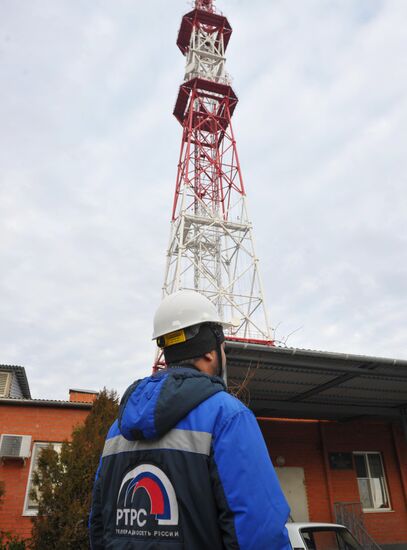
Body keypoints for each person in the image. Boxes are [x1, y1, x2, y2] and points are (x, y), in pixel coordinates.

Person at [89, 290, 291, 549]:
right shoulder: (228, 417)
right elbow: (258, 535)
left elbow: (98, 524)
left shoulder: (116, 430)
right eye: (224, 348)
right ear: (210, 351)